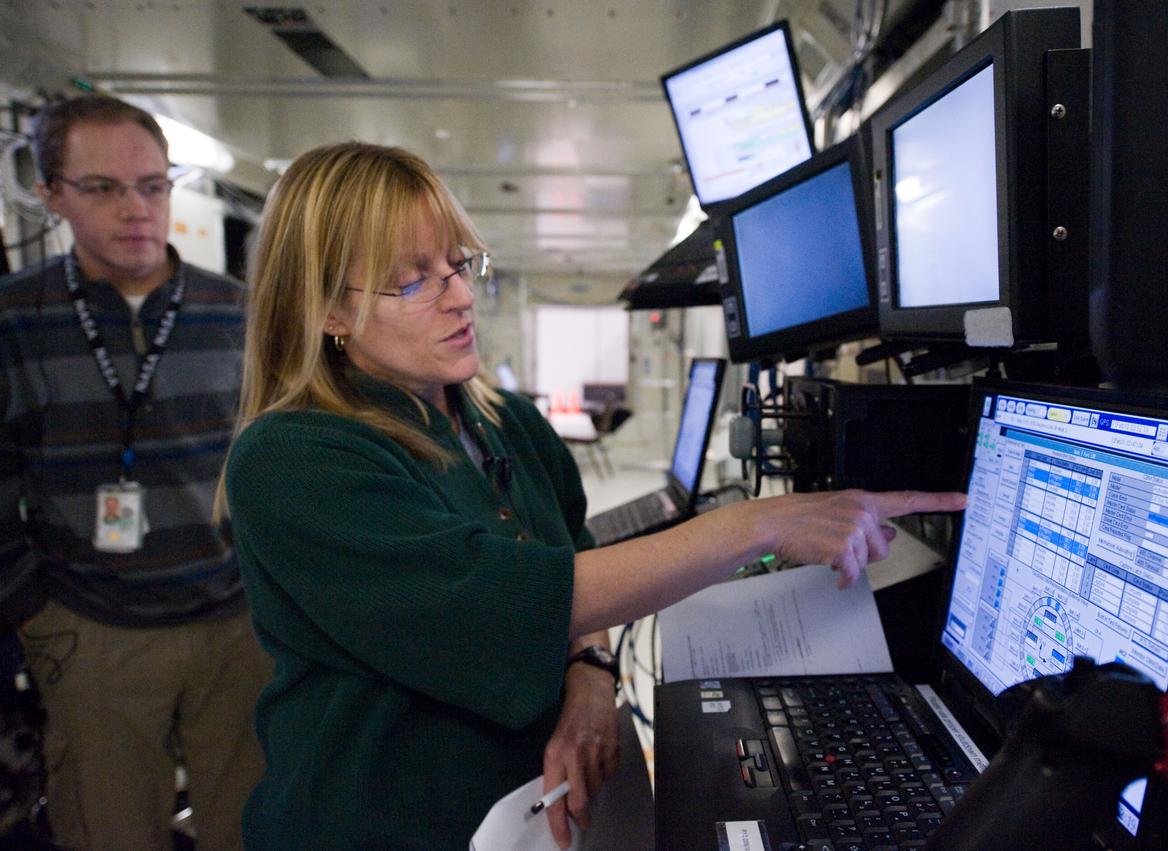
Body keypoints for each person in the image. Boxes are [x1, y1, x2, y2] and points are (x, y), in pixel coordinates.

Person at [215, 141, 967, 850]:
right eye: (414, 279)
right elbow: (506, 601)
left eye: (459, 262)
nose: (459, 297)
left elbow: (575, 551)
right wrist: (759, 524)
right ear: (328, 312)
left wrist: (591, 678)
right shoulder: (292, 458)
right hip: (390, 826)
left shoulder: (498, 417)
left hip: (542, 817)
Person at [0, 95, 271, 851]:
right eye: (103, 188)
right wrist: (36, 612)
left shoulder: (235, 313)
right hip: (93, 630)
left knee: (251, 827)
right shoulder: (15, 318)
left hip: (233, 626)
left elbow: (276, 463)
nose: (136, 208)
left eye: (153, 185)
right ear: (50, 194)